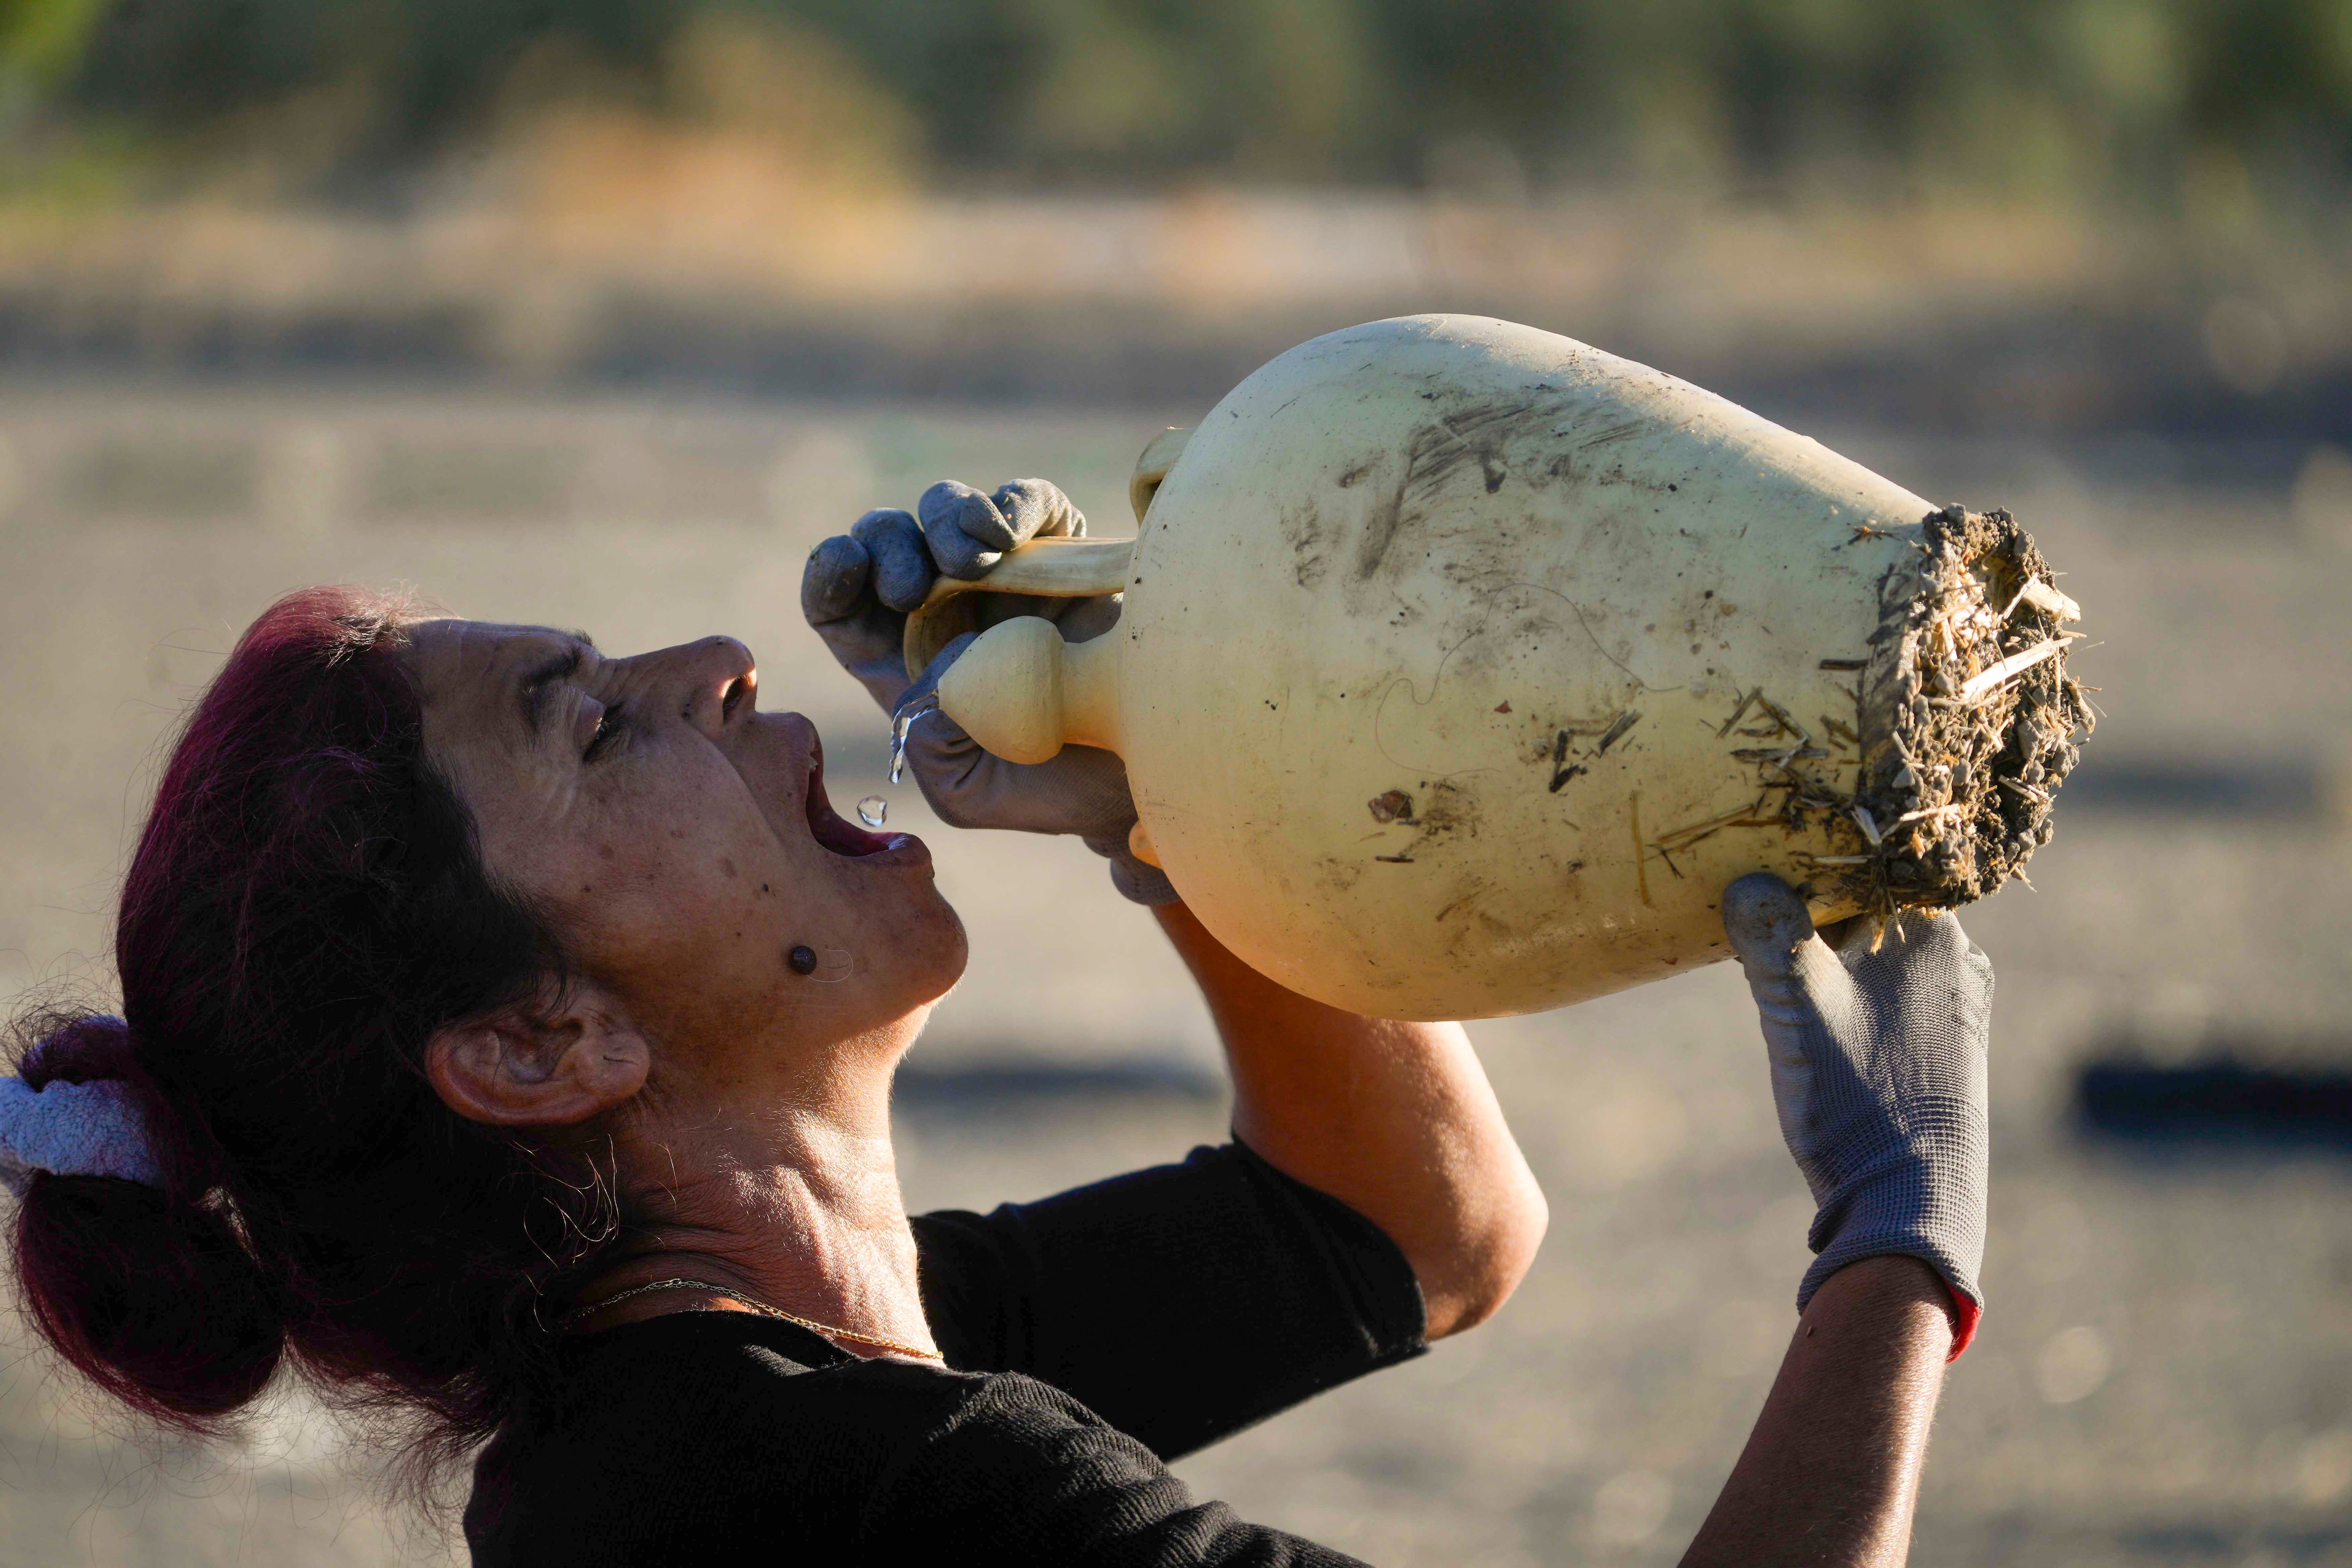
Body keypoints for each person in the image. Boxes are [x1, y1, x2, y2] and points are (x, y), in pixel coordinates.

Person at [0, 477, 1988, 1567]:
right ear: (537, 1051)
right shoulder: (865, 1490)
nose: (720, 665)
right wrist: (1894, 1253)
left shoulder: (720, 1413)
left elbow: (1410, 1234)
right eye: (590, 722)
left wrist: (1175, 786)